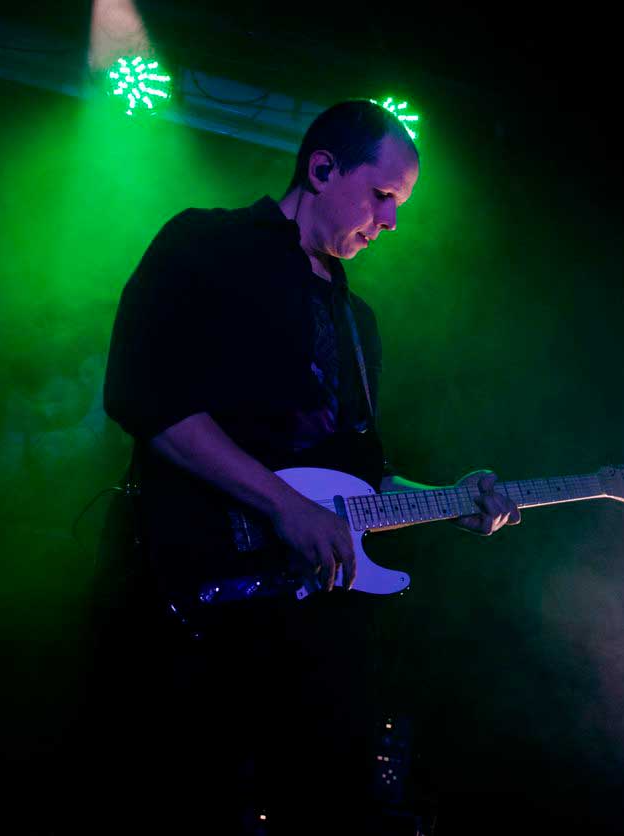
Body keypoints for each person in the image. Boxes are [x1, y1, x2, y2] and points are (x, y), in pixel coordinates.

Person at [87, 99, 520, 834]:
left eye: (400, 204)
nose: (391, 221)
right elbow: (145, 395)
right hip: (184, 600)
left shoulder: (360, 322)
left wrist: (453, 499)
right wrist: (282, 505)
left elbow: (362, 478)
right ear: (322, 169)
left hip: (309, 625)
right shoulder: (207, 243)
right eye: (382, 195)